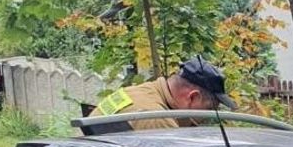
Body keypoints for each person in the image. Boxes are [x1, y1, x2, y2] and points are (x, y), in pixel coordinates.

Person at [88, 55, 235, 131]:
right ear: (193, 97)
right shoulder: (156, 119)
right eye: (209, 109)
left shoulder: (142, 92)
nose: (208, 116)